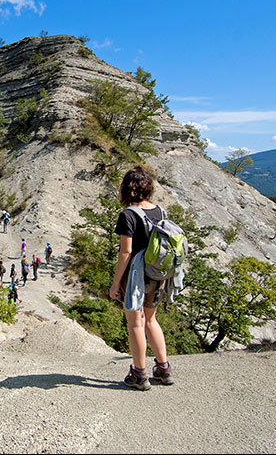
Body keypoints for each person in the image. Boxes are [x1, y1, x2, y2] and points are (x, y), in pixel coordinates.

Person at [109, 166, 174, 391]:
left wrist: (116, 282)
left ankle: (139, 373)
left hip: (136, 276)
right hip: (157, 275)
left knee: (135, 322)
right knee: (151, 320)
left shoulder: (128, 214)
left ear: (128, 189)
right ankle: (163, 369)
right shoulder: (160, 212)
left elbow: (125, 252)